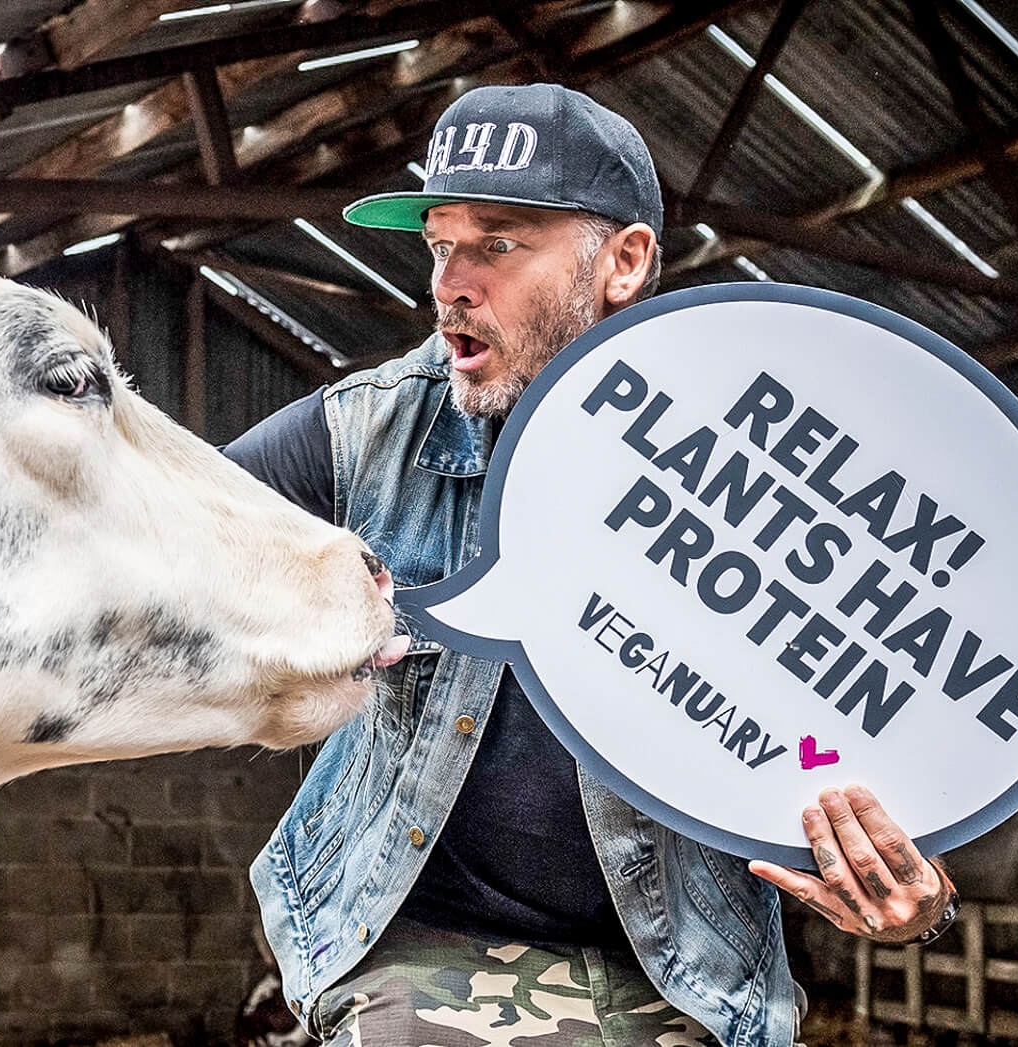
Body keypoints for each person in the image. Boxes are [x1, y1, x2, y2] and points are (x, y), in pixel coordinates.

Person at [225, 84, 958, 1047]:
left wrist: (917, 897)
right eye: (441, 244)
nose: (451, 282)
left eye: (499, 243)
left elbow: (903, 726)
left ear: (623, 261)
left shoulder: (759, 475)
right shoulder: (370, 430)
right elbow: (168, 534)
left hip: (682, 968)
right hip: (409, 942)